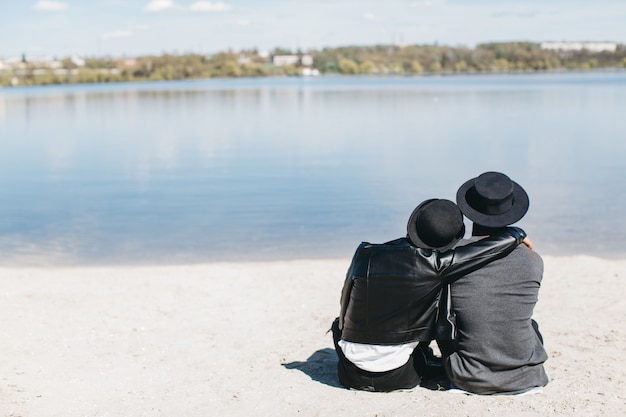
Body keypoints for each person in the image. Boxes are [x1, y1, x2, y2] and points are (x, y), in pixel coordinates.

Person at [332, 198, 529, 392]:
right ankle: (423, 357)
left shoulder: (364, 253)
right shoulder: (435, 265)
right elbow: (482, 251)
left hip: (349, 372)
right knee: (438, 295)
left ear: (414, 224)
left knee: (337, 323)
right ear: (456, 237)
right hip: (400, 376)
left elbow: (344, 304)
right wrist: (516, 233)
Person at [439, 171, 549, 395]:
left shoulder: (452, 257)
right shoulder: (533, 260)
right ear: (512, 211)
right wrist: (516, 234)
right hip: (527, 376)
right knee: (531, 324)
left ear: (469, 210)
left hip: (469, 377)